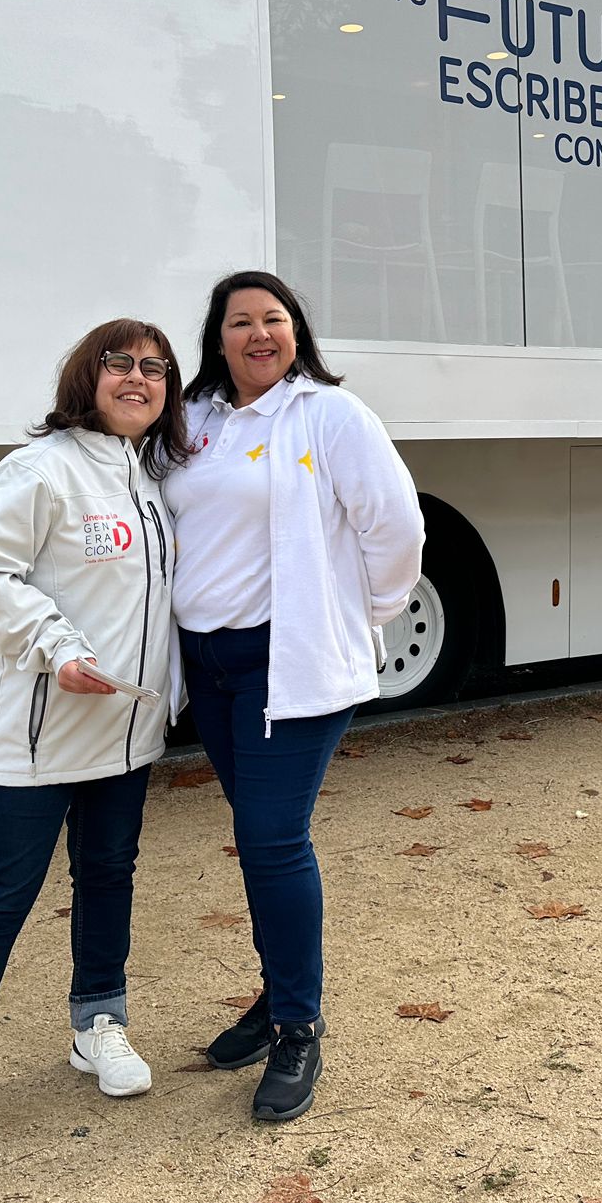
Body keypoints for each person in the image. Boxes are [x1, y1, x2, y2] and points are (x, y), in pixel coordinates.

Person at [0, 320, 192, 1172]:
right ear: (85, 377)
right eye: (120, 363)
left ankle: (98, 1024)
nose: (138, 378)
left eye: (155, 368)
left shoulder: (150, 478)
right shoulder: (38, 471)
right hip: (38, 738)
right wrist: (56, 646)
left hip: (125, 735)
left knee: (108, 878)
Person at [163, 271, 425, 1121]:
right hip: (210, 667)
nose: (259, 333)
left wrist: (358, 615)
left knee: (272, 841)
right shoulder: (193, 419)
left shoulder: (331, 415)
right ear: (219, 338)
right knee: (256, 837)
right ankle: (276, 995)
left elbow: (396, 527)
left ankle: (298, 1027)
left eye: (273, 318)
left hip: (289, 666)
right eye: (240, 321)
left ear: (296, 332)